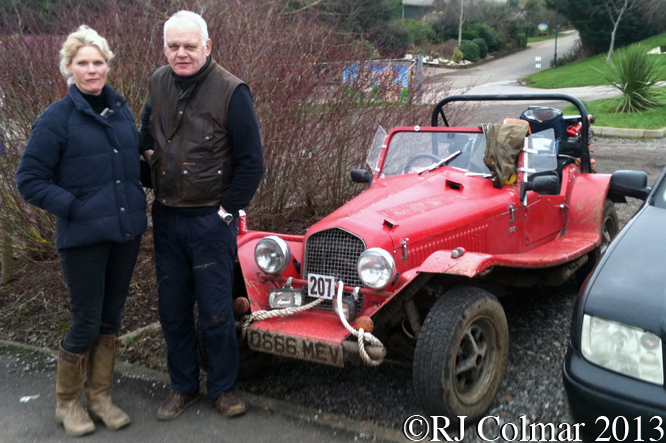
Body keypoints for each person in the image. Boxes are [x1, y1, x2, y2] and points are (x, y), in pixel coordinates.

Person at [16, 25, 147, 436]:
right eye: (83, 63)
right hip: (83, 238)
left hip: (124, 234)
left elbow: (132, 166)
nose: (92, 70)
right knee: (86, 320)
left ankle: (100, 396)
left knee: (111, 318)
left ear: (109, 65)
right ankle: (68, 402)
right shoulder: (56, 119)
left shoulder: (122, 112)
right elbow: (29, 179)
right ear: (69, 69)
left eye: (98, 62)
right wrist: (76, 208)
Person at [140, 10, 263, 420]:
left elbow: (252, 163)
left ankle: (224, 390)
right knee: (172, 311)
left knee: (215, 310)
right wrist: (145, 165)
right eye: (173, 46)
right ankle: (183, 387)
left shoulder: (232, 91)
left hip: (210, 221)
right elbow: (146, 137)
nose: (181, 53)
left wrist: (225, 213)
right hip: (168, 218)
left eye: (190, 45)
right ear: (164, 48)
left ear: (207, 46)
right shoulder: (157, 82)